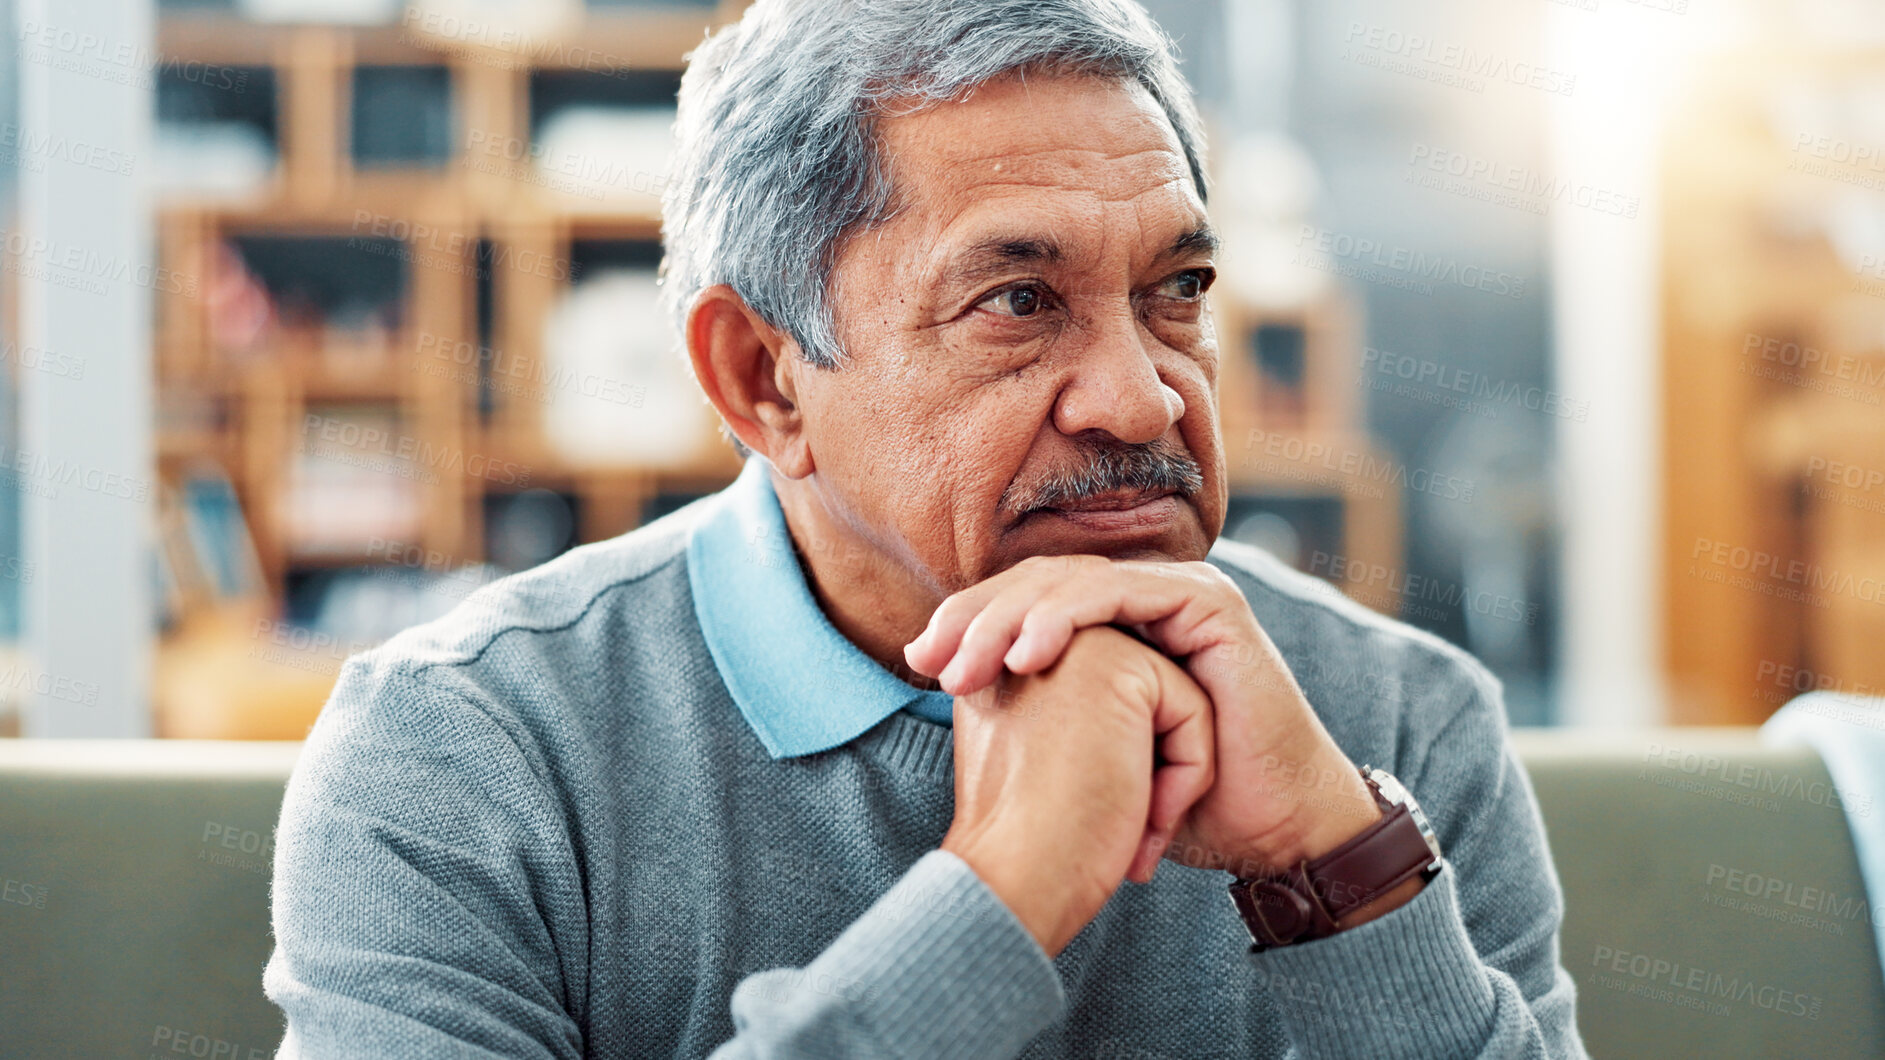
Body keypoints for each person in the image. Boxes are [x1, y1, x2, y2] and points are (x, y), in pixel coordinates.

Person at [264, 1, 1586, 1056]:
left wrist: (1333, 877)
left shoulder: (1397, 723)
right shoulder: (466, 753)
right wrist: (999, 895)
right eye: (1017, 302)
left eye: (1176, 290)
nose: (1141, 394)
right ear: (763, 381)